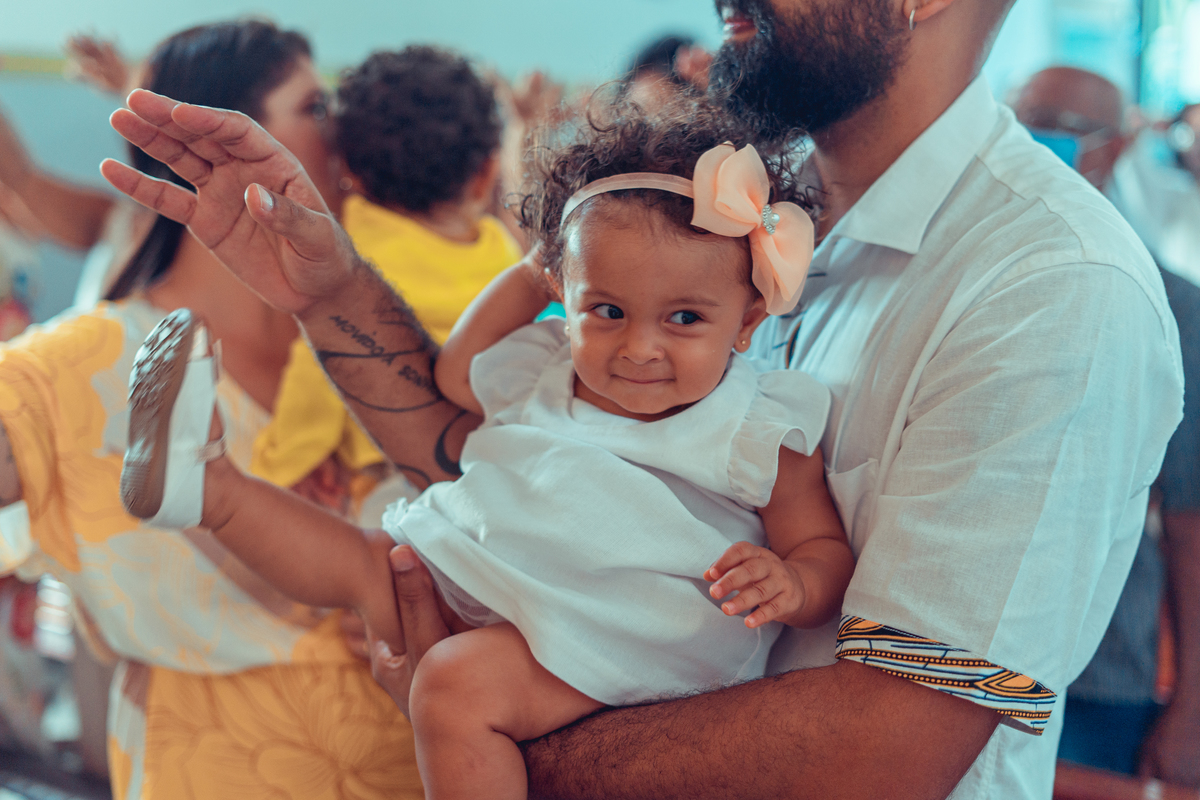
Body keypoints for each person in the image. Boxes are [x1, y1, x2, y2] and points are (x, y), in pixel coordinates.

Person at [100, 0, 1184, 796]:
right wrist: (323, 286)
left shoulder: (1046, 290)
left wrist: (489, 730)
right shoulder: (728, 220)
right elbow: (503, 452)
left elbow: (891, 742)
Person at [118, 97, 855, 800]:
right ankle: (206, 486)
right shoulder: (545, 364)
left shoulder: (758, 421)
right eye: (607, 309)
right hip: (496, 574)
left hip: (626, 633)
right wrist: (547, 259)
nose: (639, 347)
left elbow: (822, 548)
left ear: (750, 317)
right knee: (369, 562)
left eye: (685, 318)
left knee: (453, 686)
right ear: (566, 291)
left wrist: (791, 584)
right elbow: (450, 374)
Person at [0, 21, 422, 800]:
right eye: (318, 106)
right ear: (219, 143)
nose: (350, 131)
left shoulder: (380, 336)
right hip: (210, 770)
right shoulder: (82, 365)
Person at [1014, 67, 1200, 789]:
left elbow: (1190, 520)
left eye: (1057, 121)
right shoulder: (975, 275)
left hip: (1100, 673)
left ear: (1115, 148)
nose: (1035, 137)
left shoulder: (1170, 308)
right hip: (967, 656)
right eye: (1022, 116)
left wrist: (1190, 709)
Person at [250, 46, 522, 490]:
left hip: (389, 474)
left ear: (349, 170)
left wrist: (283, 465)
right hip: (493, 464)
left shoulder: (349, 252)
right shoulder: (501, 250)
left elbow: (321, 367)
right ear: (486, 172)